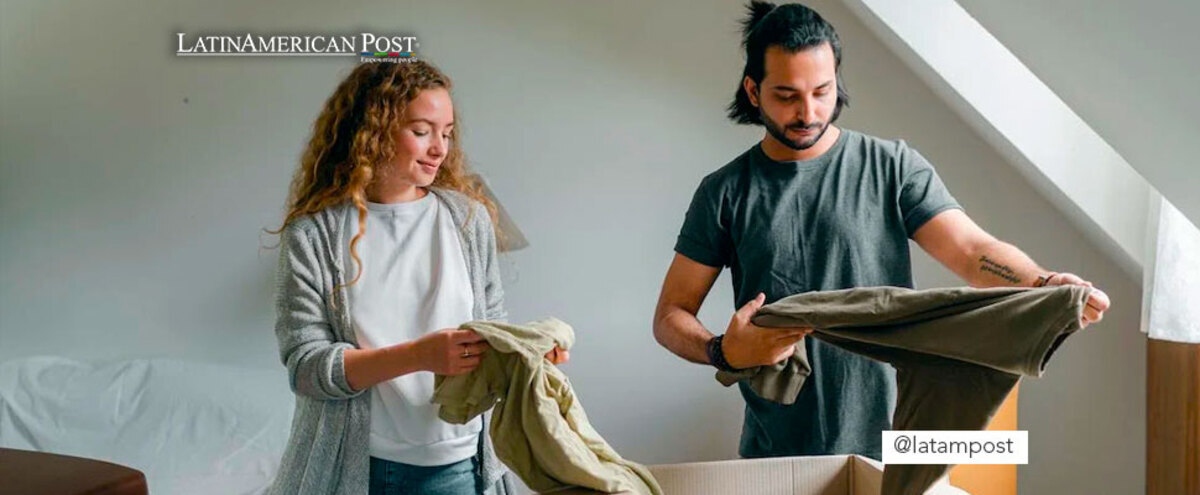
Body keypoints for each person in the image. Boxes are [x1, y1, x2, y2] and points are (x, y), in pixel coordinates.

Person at [651, 1, 1110, 462]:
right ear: (753, 91)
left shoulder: (893, 167)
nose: (808, 112)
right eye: (787, 95)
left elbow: (972, 251)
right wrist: (723, 351)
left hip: (897, 445)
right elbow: (670, 315)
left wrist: (1044, 284)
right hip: (777, 454)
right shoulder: (724, 192)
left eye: (822, 91)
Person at [266, 60, 566, 495]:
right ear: (372, 129)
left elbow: (491, 328)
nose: (439, 148)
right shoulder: (313, 236)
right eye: (422, 131)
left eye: (446, 133)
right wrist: (419, 355)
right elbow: (307, 368)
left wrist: (524, 354)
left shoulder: (468, 220)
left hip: (461, 465)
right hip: (360, 471)